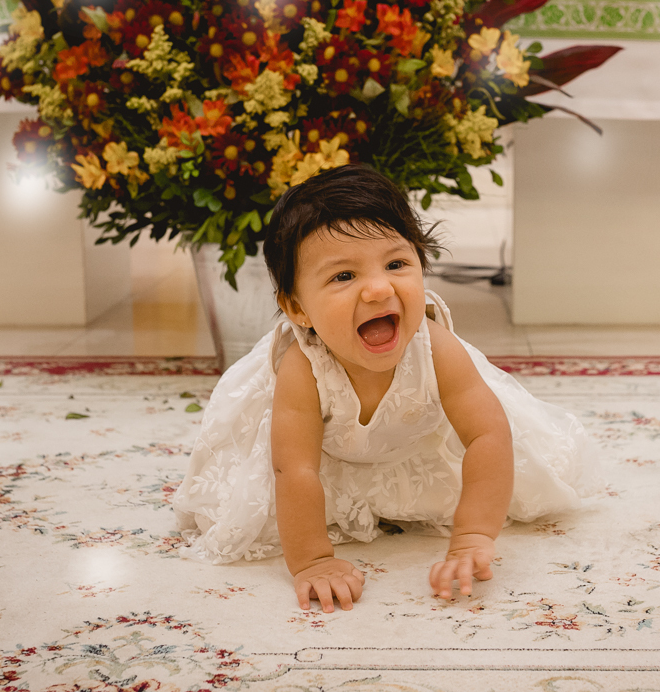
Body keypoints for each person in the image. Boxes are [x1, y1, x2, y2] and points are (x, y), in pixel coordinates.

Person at [173, 164, 599, 613]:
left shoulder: (434, 345)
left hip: (417, 444)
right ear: (297, 307)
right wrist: (312, 561)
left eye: (396, 264)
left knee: (504, 475)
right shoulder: (302, 368)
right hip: (326, 457)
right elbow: (294, 470)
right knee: (266, 500)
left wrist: (472, 535)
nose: (378, 289)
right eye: (343, 276)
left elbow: (487, 435)